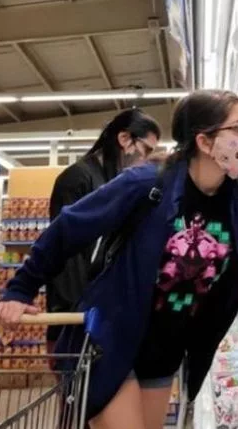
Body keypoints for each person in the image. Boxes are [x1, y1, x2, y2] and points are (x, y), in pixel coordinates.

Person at [0, 90, 238, 429]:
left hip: (164, 349)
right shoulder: (146, 185)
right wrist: (20, 289)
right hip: (111, 340)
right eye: (237, 128)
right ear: (204, 141)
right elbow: (69, 227)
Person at [46, 108, 161, 353]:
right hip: (76, 318)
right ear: (124, 139)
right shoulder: (77, 178)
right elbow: (64, 253)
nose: (147, 159)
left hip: (99, 312)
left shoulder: (111, 180)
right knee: (76, 376)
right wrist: (75, 318)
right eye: (147, 150)